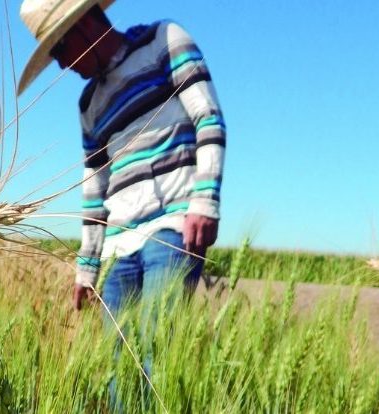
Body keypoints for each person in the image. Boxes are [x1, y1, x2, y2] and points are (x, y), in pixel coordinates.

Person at [18, 0, 225, 319]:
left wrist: (204, 201)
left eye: (59, 50)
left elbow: (208, 118)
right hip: (118, 247)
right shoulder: (89, 104)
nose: (61, 65)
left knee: (156, 357)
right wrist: (86, 268)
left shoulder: (163, 40)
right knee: (115, 365)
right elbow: (94, 189)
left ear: (85, 25)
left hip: (172, 229)